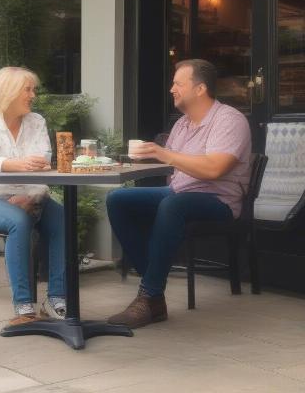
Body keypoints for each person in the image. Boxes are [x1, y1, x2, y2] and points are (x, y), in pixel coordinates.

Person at [106, 59, 252, 328]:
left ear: (200, 89)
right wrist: (137, 158)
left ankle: (148, 295)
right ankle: (153, 291)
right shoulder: (182, 124)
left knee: (172, 206)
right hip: (180, 192)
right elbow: (170, 168)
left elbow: (215, 169)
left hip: (218, 200)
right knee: (119, 200)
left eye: (177, 83)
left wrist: (164, 154)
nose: (171, 88)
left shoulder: (229, 120)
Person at [0, 66, 66, 324]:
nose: (33, 95)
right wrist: (14, 164)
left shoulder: (37, 122)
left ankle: (57, 299)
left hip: (32, 195)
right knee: (18, 221)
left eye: (33, 89)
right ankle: (23, 307)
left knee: (63, 219)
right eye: (28, 89)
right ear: (9, 92)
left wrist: (32, 198)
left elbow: (44, 165)